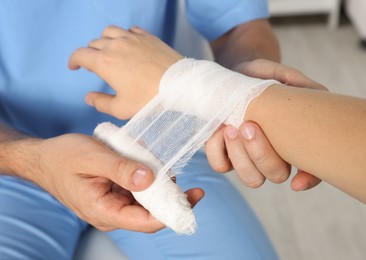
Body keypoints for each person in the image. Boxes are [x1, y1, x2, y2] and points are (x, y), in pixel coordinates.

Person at [0, 1, 311, 259]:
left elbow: (238, 26)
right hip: (14, 160)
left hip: (162, 147)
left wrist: (235, 87)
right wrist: (33, 160)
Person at [68, 26, 366, 237]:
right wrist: (193, 84)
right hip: (27, 171)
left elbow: (243, 26)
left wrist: (203, 81)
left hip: (165, 159)